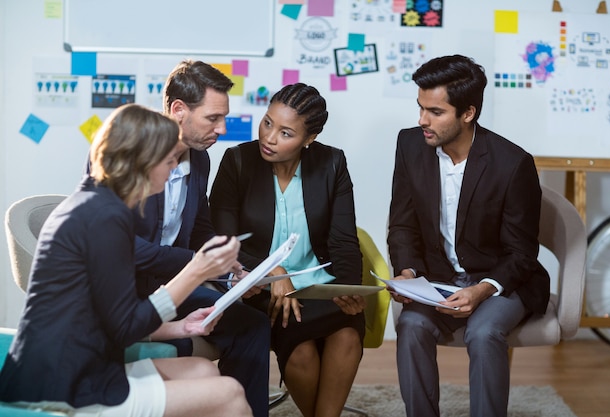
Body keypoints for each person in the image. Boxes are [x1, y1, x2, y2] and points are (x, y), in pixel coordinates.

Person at [0, 104, 252, 417]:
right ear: (144, 161)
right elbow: (123, 326)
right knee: (230, 393)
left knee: (203, 370)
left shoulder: (94, 204)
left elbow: (112, 317)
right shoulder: (106, 218)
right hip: (65, 386)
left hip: (66, 369)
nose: (174, 168)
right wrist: (196, 270)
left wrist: (179, 327)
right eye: (170, 159)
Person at [387, 54, 550, 417]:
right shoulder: (410, 145)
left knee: (484, 332)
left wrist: (481, 290)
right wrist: (408, 272)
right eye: (420, 108)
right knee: (411, 324)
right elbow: (402, 224)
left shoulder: (513, 164)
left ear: (468, 113)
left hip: (499, 280)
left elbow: (522, 252)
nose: (421, 120)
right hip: (438, 279)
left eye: (435, 112)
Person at [209, 83, 367, 417]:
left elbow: (344, 240)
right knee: (302, 353)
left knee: (349, 336)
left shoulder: (331, 163)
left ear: (309, 139)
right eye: (267, 123)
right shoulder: (237, 162)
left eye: (285, 133)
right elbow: (222, 240)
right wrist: (272, 272)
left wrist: (348, 288)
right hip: (263, 288)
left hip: (319, 285)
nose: (268, 137)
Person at [132, 60, 270, 417]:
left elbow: (199, 229)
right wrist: (197, 266)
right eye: (213, 118)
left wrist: (230, 269)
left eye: (224, 117)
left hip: (175, 285)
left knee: (250, 324)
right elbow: (124, 247)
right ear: (179, 110)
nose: (222, 129)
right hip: (128, 292)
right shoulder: (125, 154)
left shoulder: (201, 159)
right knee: (181, 341)